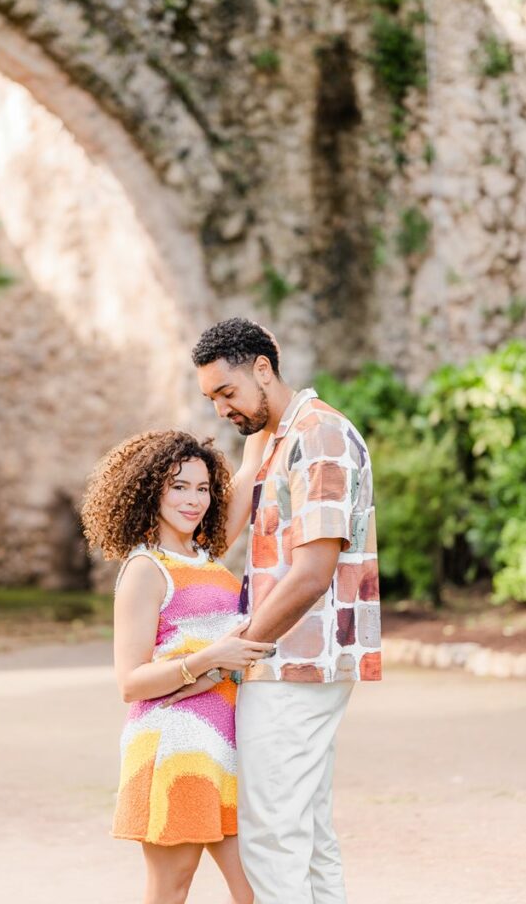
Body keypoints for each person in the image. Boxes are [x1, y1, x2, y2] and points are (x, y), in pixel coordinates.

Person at [189, 317, 381, 904]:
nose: (221, 408)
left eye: (227, 392)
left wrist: (232, 652)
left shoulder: (319, 436)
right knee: (308, 833)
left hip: (297, 660)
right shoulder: (276, 438)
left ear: (264, 370)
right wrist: (250, 453)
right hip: (288, 662)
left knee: (271, 836)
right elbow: (221, 541)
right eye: (211, 399)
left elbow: (312, 575)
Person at [81, 428, 275, 904]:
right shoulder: (146, 569)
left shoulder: (205, 557)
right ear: (151, 491)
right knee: (172, 888)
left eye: (203, 488)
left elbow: (250, 474)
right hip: (174, 745)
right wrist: (211, 658)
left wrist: (266, 411)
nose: (195, 500)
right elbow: (130, 682)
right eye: (179, 486)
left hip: (225, 745)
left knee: (257, 888)